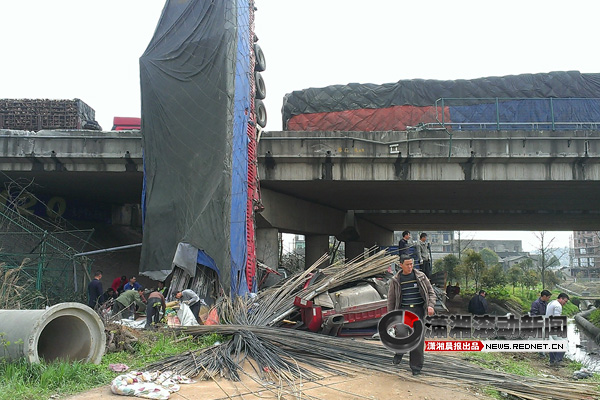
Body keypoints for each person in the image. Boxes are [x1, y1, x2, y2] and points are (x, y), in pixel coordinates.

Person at [387, 254, 436, 376]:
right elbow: (391, 300)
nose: (410, 267)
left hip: (418, 312)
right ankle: (399, 352)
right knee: (402, 334)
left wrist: (430, 305)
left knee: (417, 340)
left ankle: (416, 368)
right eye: (407, 264)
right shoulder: (396, 280)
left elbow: (431, 293)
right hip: (403, 312)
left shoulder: (420, 276)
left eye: (411, 264)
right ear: (401, 265)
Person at [545, 293, 570, 366]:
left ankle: (552, 361)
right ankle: (558, 361)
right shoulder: (558, 306)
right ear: (561, 298)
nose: (565, 303)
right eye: (565, 301)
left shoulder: (551, 303)